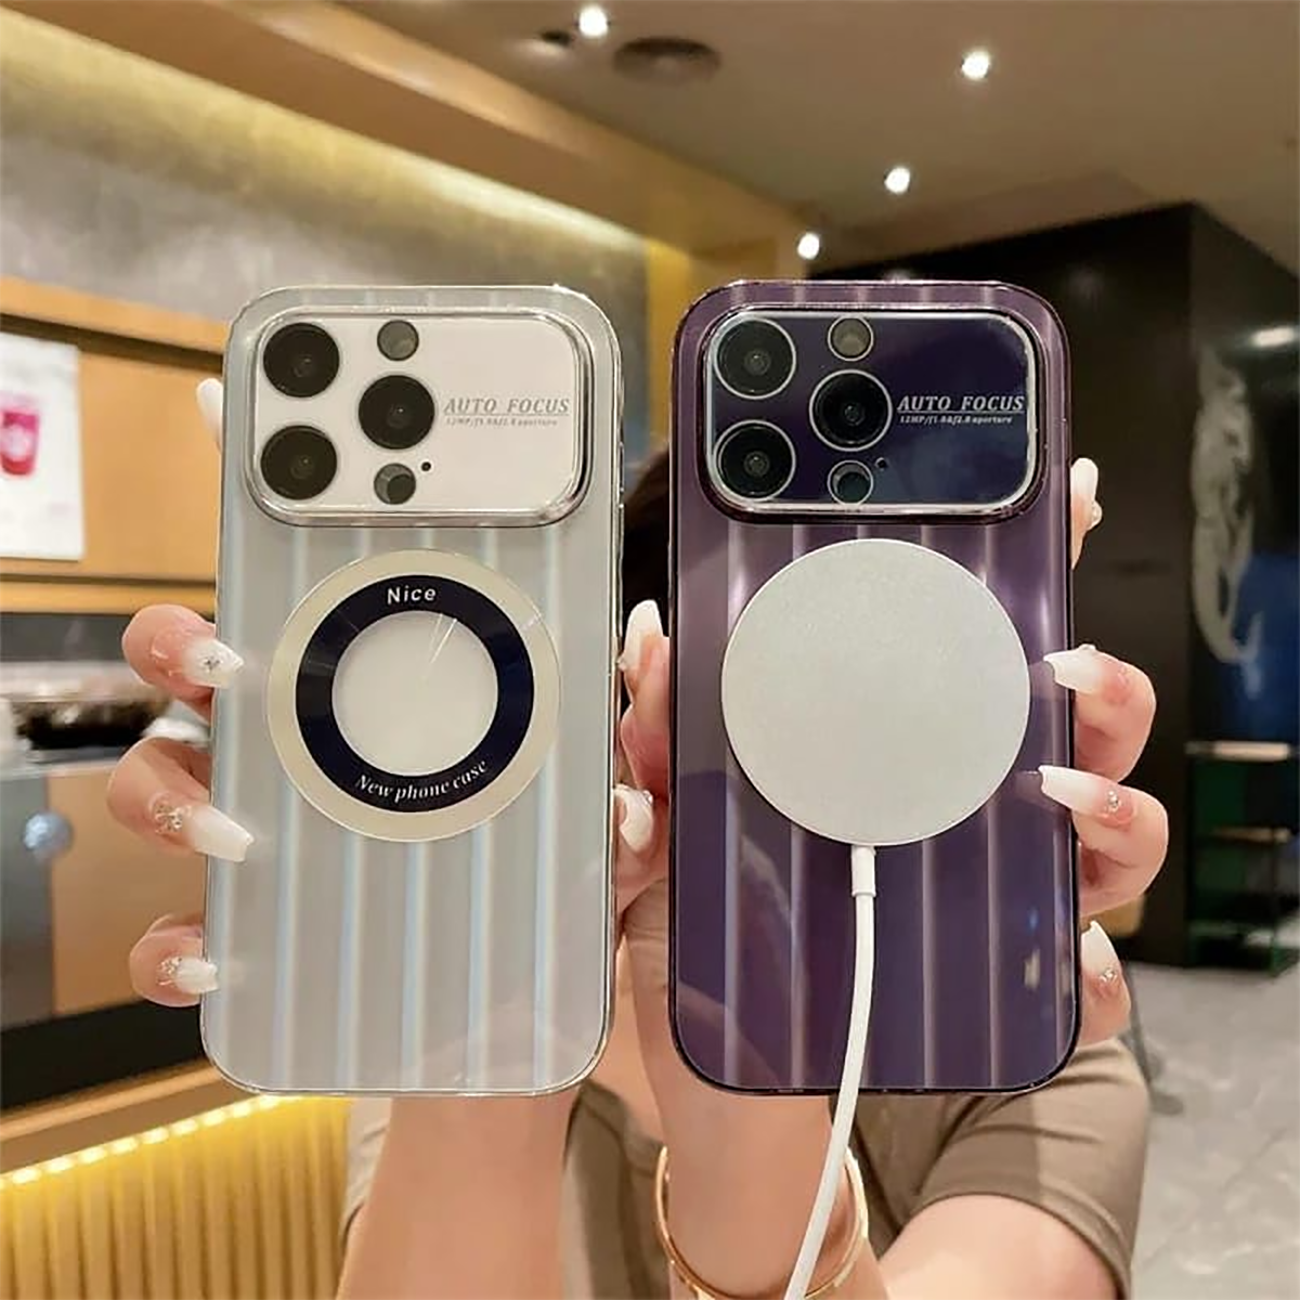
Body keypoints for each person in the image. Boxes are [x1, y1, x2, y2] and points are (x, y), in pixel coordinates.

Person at [109, 380, 1165, 1299]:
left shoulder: (1027, 1052)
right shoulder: (462, 992)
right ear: (617, 690)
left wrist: (750, 1138)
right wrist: (501, 1016)